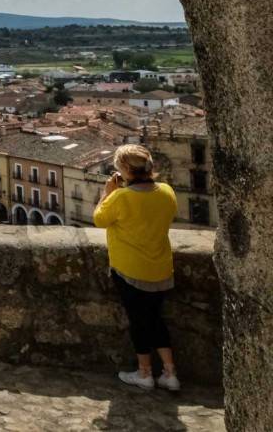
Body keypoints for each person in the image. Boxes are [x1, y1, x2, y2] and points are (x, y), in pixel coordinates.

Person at [93, 144, 180, 392]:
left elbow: (99, 219)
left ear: (126, 170)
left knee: (139, 322)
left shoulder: (121, 197)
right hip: (161, 269)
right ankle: (170, 373)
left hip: (129, 271)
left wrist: (107, 192)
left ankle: (144, 374)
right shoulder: (166, 191)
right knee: (156, 319)